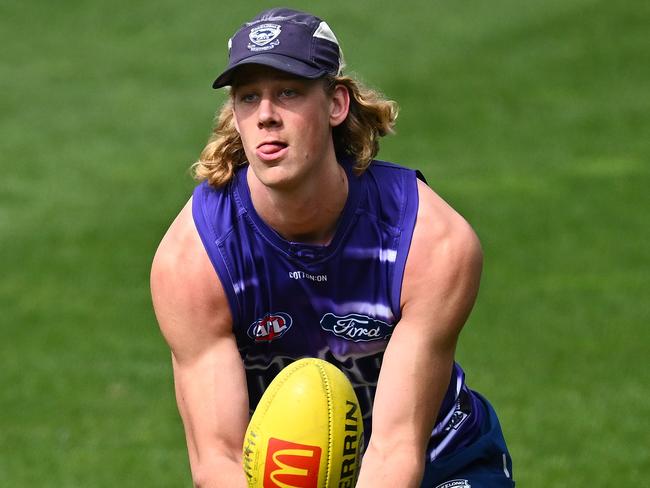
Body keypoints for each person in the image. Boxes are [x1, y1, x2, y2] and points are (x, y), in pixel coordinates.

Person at [151, 7, 514, 488]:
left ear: (336, 103)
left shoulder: (428, 239)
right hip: (281, 476)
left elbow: (394, 451)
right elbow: (219, 458)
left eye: (288, 93)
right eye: (248, 97)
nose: (265, 116)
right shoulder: (195, 257)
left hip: (438, 462)